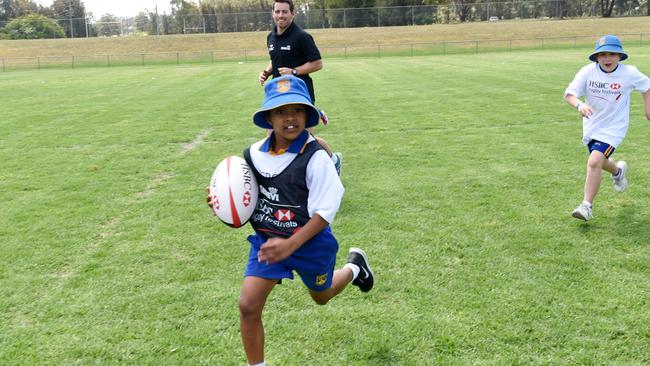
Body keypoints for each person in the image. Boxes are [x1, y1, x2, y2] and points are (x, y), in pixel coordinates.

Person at [209, 75, 374, 366]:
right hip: (269, 244)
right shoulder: (252, 155)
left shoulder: (315, 158)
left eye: (297, 110)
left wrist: (293, 244)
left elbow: (325, 212)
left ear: (306, 115)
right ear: (269, 118)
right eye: (281, 111)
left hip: (311, 244)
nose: (290, 117)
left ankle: (353, 268)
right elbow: (245, 199)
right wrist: (223, 202)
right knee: (248, 305)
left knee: (322, 296)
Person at [564, 34, 650, 221]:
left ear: (620, 56)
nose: (607, 58)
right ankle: (618, 172)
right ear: (596, 57)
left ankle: (586, 206)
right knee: (600, 162)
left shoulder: (630, 73)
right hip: (592, 126)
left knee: (594, 161)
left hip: (615, 127)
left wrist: (647, 107)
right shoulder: (588, 71)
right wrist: (580, 105)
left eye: (612, 54)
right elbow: (569, 94)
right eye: (602, 54)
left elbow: (646, 86)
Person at [258, 0, 343, 175]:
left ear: (292, 14)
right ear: (273, 13)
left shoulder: (301, 36)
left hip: (300, 96)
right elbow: (275, 58)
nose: (281, 16)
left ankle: (333, 159)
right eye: (278, 12)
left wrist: (294, 71)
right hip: (278, 97)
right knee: (273, 136)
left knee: (305, 140)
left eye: (285, 12)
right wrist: (267, 72)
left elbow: (318, 63)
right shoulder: (271, 37)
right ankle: (281, 180)